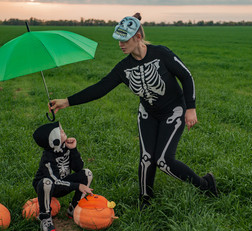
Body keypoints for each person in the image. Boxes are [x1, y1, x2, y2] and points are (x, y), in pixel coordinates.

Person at [50, 13, 218, 210]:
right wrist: (67, 102)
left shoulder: (161, 54)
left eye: (125, 39)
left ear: (138, 37)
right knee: (147, 158)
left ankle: (206, 184)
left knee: (163, 161)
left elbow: (187, 76)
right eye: (118, 40)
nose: (120, 44)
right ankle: (145, 201)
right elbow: (100, 88)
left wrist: (191, 108)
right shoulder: (124, 67)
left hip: (174, 110)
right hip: (148, 113)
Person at [32, 121, 93, 231]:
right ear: (53, 139)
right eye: (59, 131)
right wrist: (77, 186)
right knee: (46, 182)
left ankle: (74, 207)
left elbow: (78, 167)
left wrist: (73, 149)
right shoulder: (47, 157)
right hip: (49, 187)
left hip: (64, 182)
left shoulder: (66, 148)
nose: (63, 131)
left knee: (87, 173)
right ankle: (45, 217)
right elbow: (55, 181)